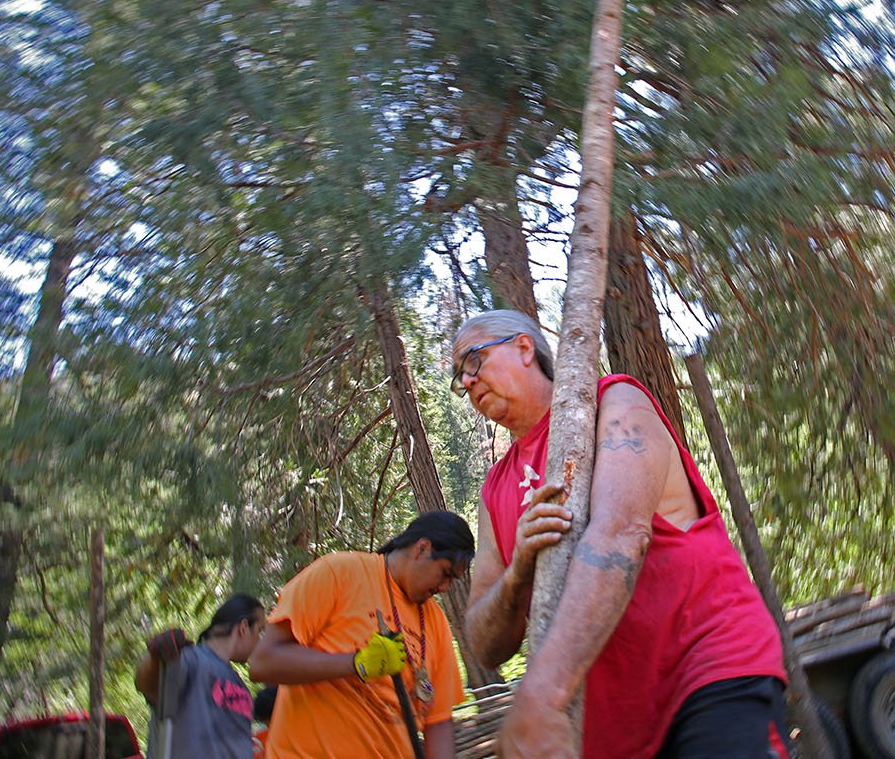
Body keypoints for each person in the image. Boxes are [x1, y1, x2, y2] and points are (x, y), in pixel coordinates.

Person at [454, 309, 788, 759]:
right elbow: (482, 641)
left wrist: (544, 693)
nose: (468, 381)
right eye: (460, 377)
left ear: (524, 347)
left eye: (473, 361)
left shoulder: (615, 403)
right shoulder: (495, 489)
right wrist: (517, 574)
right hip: (612, 733)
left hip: (704, 671)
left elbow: (621, 534)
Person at [248, 511, 472, 759]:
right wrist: (356, 664)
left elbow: (438, 721)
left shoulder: (435, 622)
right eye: (445, 573)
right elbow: (262, 663)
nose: (445, 588)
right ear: (422, 548)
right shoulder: (339, 573)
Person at [133, 593, 266, 759]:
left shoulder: (240, 686)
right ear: (244, 627)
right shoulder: (192, 660)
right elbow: (147, 684)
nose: (260, 642)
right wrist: (154, 657)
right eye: (260, 631)